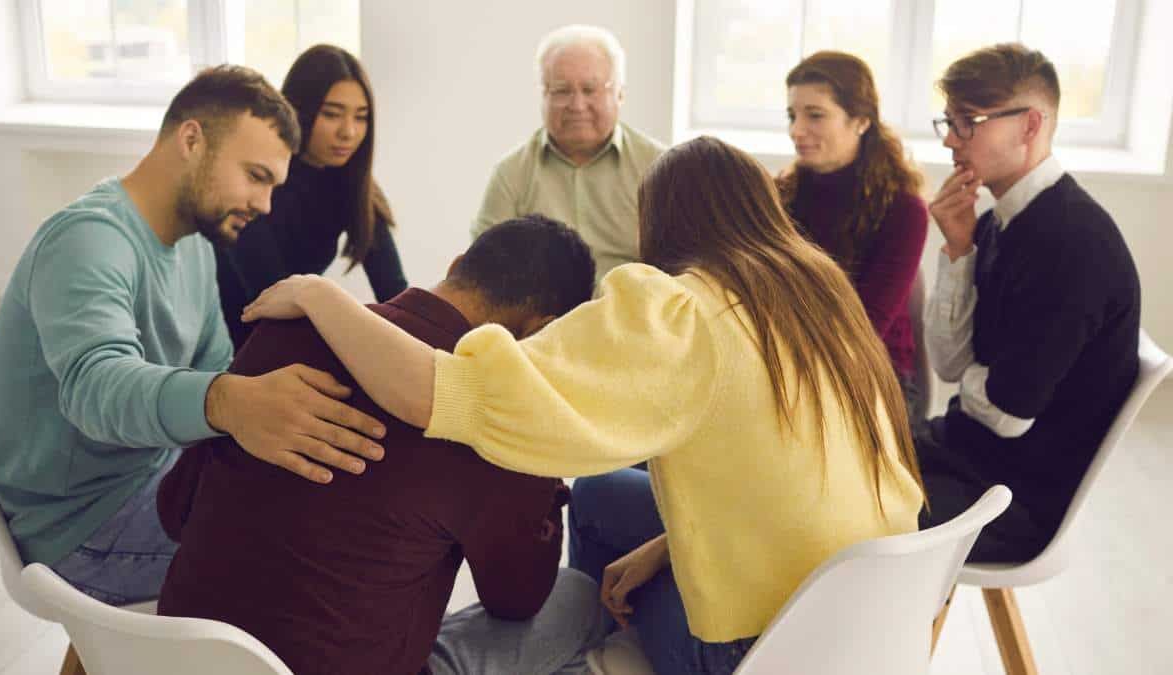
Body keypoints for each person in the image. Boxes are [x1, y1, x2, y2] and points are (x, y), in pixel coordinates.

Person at [242, 136, 926, 674]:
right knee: (602, 493)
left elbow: (440, 392)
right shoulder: (817, 289)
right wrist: (667, 547)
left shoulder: (681, 310)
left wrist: (317, 294)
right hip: (867, 619)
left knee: (578, 600)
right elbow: (792, 469)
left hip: (756, 650)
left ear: (659, 225)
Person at [0, 65, 386, 606]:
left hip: (151, 476)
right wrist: (229, 402)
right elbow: (96, 387)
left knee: (338, 509)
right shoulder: (90, 241)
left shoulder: (193, 243)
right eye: (256, 176)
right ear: (191, 139)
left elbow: (216, 363)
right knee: (323, 568)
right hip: (79, 527)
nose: (265, 205)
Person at [159, 215, 606, 675]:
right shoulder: (497, 419)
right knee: (577, 597)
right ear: (541, 330)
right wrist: (546, 458)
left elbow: (175, 510)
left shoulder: (286, 327)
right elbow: (516, 599)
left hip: (178, 657)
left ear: (456, 264)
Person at [920, 43, 1140, 562]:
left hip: (1011, 500)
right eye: (947, 122)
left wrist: (976, 380)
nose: (951, 140)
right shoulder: (1000, 222)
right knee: (831, 461)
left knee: (828, 506)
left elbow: (1007, 412)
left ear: (1030, 125)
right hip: (967, 453)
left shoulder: (1072, 242)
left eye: (968, 122)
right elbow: (950, 365)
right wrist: (958, 250)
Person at [216, 44, 407, 348]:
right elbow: (270, 294)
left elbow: (394, 291)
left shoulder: (354, 184)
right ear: (299, 110)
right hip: (237, 343)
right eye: (332, 114)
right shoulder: (258, 181)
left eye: (361, 117)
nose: (349, 132)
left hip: (296, 334)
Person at [779, 51, 928, 420]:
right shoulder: (780, 195)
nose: (797, 131)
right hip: (789, 365)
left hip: (873, 376)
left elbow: (865, 327)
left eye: (815, 115)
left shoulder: (903, 210)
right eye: (792, 115)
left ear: (861, 121)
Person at [473, 24, 666, 282]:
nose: (577, 105)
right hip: (539, 320)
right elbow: (483, 272)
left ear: (619, 94)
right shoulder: (511, 174)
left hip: (632, 317)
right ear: (542, 95)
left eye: (590, 90)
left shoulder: (659, 168)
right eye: (562, 90)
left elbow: (683, 270)